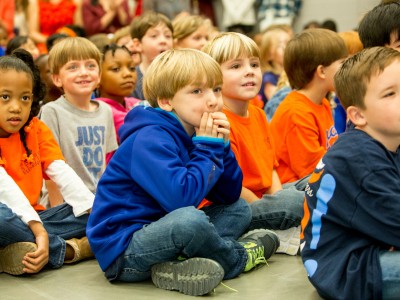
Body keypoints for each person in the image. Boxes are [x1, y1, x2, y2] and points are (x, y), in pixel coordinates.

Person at [86, 48, 280, 296]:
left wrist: (222, 147)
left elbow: (229, 195)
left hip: (164, 230)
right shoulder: (150, 137)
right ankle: (238, 257)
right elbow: (180, 201)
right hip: (125, 251)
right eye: (197, 91)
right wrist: (208, 148)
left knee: (238, 208)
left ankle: (177, 265)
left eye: (216, 89)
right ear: (167, 101)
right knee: (190, 220)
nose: (213, 100)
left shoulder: (193, 129)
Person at [301, 46, 400, 299]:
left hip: (372, 242)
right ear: (358, 115)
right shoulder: (362, 162)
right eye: (390, 94)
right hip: (348, 268)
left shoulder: (387, 139)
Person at [202, 32, 305, 255]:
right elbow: (233, 189)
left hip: (264, 199)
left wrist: (277, 200)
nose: (249, 71)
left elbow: (270, 167)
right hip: (236, 206)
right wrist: (276, 206)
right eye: (236, 66)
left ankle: (281, 226)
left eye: (254, 64)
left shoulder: (258, 115)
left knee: (315, 183)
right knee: (295, 202)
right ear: (213, 77)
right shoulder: (218, 122)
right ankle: (273, 229)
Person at [0, 49, 94, 276]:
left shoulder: (36, 128)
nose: (16, 107)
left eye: (25, 97)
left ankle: (12, 252)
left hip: (35, 218)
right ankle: (71, 250)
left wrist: (98, 211)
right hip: (10, 218)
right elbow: (6, 189)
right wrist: (39, 232)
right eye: (5, 97)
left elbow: (62, 172)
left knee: (96, 209)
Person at [39, 37, 118, 208]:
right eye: (73, 67)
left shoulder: (105, 110)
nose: (83, 72)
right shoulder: (52, 111)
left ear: (99, 76)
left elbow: (107, 162)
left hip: (97, 200)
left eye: (90, 65)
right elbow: (50, 168)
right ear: (57, 78)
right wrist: (57, 213)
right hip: (65, 203)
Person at [269, 29, 348, 184]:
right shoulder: (297, 113)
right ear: (322, 71)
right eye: (342, 63)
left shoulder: (322, 102)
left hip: (317, 176)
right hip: (295, 188)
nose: (347, 69)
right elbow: (312, 170)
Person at [96, 43, 148, 145]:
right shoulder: (98, 110)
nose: (128, 74)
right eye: (116, 69)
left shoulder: (136, 103)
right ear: (97, 76)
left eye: (132, 68)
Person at [130, 11, 173, 100]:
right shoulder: (132, 79)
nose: (163, 41)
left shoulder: (179, 74)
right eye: (154, 36)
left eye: (168, 36)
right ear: (138, 44)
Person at [259, 27, 291, 107]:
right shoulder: (269, 78)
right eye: (282, 45)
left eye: (289, 44)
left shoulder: (290, 73)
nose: (288, 48)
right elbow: (277, 104)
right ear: (269, 54)